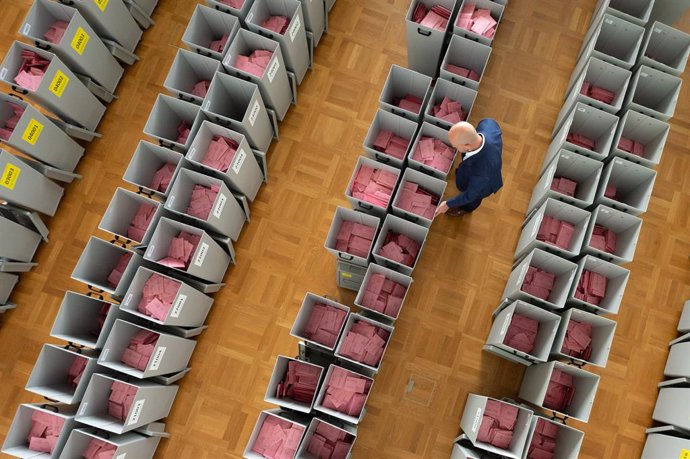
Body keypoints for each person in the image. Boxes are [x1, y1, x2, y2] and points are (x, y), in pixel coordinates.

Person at [435, 119, 503, 217]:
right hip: (476, 167)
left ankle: (465, 209)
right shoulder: (488, 124)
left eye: (456, 146)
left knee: (473, 200)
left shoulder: (482, 174)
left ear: (467, 146)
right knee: (465, 173)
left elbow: (470, 195)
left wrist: (448, 204)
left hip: (484, 185)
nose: (455, 149)